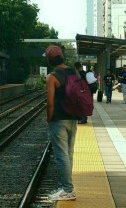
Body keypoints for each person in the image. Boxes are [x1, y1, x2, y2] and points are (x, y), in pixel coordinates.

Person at [44, 45, 77, 201]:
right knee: (68, 154)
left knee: (61, 156)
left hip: (59, 120)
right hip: (73, 118)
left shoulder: (52, 77)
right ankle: (67, 187)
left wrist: (49, 119)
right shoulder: (73, 72)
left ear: (50, 59)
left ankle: (67, 189)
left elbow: (50, 103)